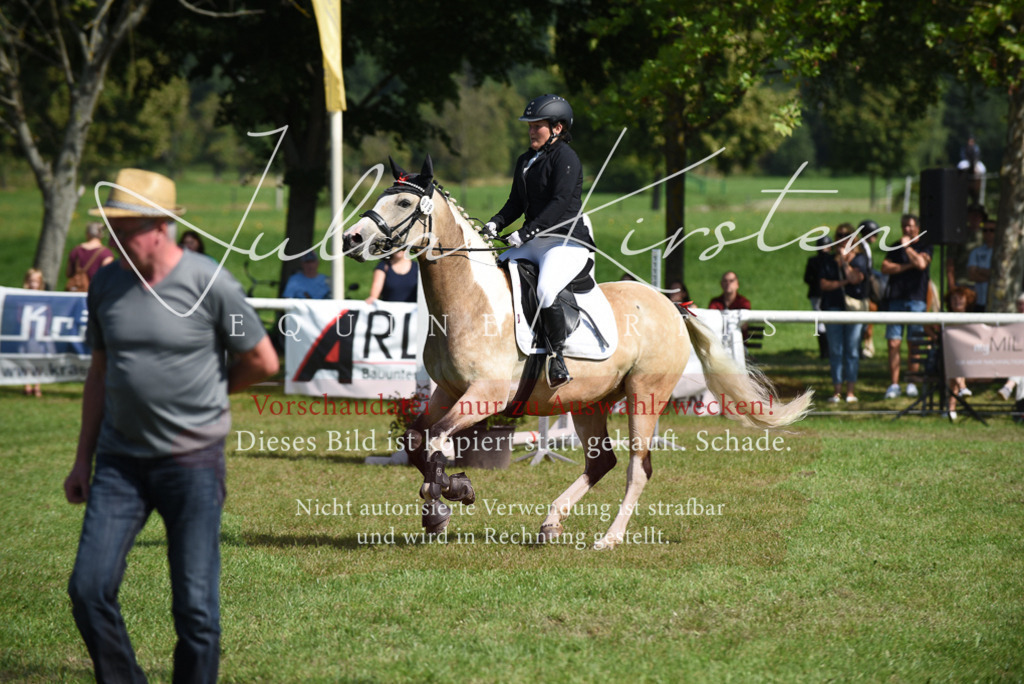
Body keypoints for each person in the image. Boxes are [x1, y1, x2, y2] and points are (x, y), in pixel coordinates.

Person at [64, 168, 279, 682]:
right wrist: (81, 459)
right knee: (88, 589)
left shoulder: (211, 282)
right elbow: (99, 372)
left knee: (196, 612)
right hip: (119, 465)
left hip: (193, 464)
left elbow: (264, 361)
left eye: (126, 226)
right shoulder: (107, 284)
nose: (114, 236)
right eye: (111, 226)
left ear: (159, 225)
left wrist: (211, 393)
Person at [482, 94, 594, 389]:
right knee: (494, 274)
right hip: (534, 239)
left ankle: (557, 358)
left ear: (557, 128)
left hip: (565, 242)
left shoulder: (566, 158)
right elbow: (515, 202)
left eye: (538, 126)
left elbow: (559, 204)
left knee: (545, 288)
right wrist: (496, 222)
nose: (532, 131)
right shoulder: (525, 160)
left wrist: (527, 232)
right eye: (530, 126)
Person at [881, 214, 933, 400]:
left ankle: (912, 382)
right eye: (904, 226)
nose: (906, 229)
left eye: (910, 226)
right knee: (893, 342)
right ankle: (894, 384)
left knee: (914, 343)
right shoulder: (894, 245)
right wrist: (906, 266)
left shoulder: (925, 245)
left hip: (916, 300)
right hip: (896, 299)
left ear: (917, 227)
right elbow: (885, 268)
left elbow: (920, 264)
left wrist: (907, 248)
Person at [819, 224, 869, 403]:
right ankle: (837, 391)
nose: (843, 238)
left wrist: (845, 263)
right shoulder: (828, 261)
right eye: (839, 235)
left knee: (852, 350)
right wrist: (843, 283)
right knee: (835, 350)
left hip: (854, 310)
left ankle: (850, 392)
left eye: (847, 236)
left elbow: (856, 279)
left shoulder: (860, 259)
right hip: (833, 307)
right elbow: (823, 285)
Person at [942, 286, 976, 421]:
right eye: (954, 298)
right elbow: (928, 327)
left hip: (971, 358)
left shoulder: (973, 319)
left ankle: (951, 409)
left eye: (960, 298)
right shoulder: (945, 317)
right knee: (954, 363)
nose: (957, 301)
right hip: (946, 358)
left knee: (956, 364)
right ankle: (962, 388)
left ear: (967, 300)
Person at [996, 293, 1024, 419]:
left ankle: (1009, 387)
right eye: (1019, 304)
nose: (1021, 307)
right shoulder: (1010, 321)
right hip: (1009, 359)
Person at [65, 221, 115, 292]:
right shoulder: (106, 254)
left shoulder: (75, 250)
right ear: (101, 235)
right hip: (96, 293)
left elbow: (68, 273)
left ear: (88, 234)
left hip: (76, 292)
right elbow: (106, 277)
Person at [804, 236, 831, 359]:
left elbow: (807, 278)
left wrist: (815, 283)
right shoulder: (831, 260)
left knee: (819, 323)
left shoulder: (813, 260)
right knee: (828, 322)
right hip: (829, 294)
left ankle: (824, 351)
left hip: (815, 294)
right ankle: (829, 350)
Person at [21, 268, 46, 397]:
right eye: (31, 281)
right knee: (26, 359)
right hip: (26, 335)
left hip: (39, 335)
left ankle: (37, 385)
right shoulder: (21, 297)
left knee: (38, 361)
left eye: (36, 282)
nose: (33, 285)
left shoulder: (44, 298)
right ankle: (27, 384)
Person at [708, 271, 752, 341]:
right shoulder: (715, 302)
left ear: (737, 284)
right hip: (719, 342)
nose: (728, 283)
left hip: (739, 342)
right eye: (725, 281)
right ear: (721, 284)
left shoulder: (743, 303)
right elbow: (711, 322)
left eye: (731, 281)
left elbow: (744, 325)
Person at [967, 219, 996, 312]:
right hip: (980, 301)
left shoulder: (1003, 253)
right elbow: (972, 275)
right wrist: (992, 276)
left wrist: (979, 270)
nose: (988, 233)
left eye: (991, 230)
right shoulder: (976, 252)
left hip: (997, 301)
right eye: (985, 230)